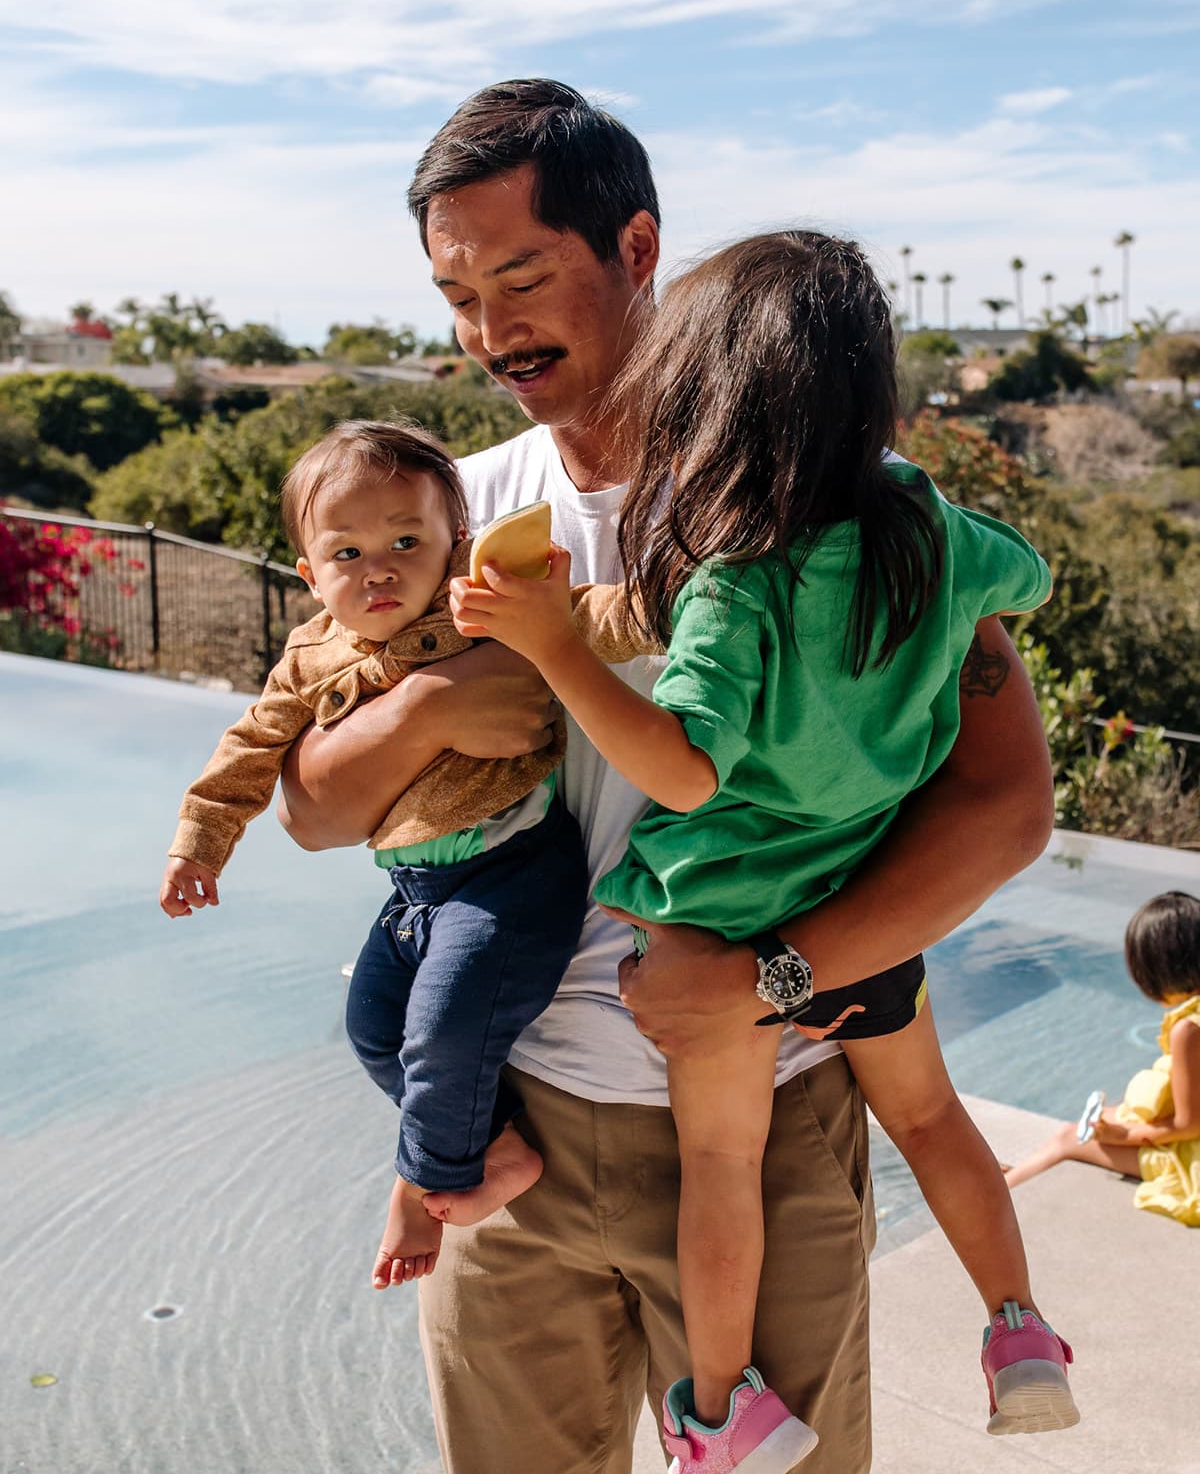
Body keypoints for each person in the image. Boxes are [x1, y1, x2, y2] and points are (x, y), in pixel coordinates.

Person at [277, 79, 1055, 1474]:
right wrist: (435, 704)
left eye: (520, 275)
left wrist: (775, 977)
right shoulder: (441, 519)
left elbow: (1004, 808)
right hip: (513, 1141)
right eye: (457, 293)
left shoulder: (832, 503)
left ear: (637, 249)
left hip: (771, 1116)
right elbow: (314, 808)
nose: (490, 329)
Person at [449, 229, 1076, 1462]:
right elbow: (1030, 577)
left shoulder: (740, 576)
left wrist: (552, 641)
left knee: (722, 1168)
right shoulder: (936, 535)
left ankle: (721, 1408)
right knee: (940, 1119)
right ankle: (1018, 1327)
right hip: (858, 915)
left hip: (727, 916)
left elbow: (684, 765)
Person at [158, 418, 630, 1290]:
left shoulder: (476, 603)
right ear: (309, 572)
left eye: (406, 541)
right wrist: (201, 846)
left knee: (443, 1027)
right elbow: (251, 751)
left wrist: (669, 606)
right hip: (417, 889)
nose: (378, 569)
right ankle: (492, 1147)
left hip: (514, 868)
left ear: (453, 542)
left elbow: (592, 616)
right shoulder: (308, 655)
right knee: (373, 1029)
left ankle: (428, 1181)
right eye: (346, 554)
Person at [1005, 890, 1200, 1227]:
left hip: (1193, 1155)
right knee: (1100, 1119)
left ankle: (998, 1190)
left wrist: (1125, 1137)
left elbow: (1190, 1124)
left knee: (1070, 1137)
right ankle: (1024, 1169)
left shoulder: (1189, 1030)